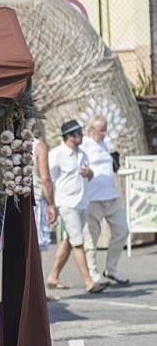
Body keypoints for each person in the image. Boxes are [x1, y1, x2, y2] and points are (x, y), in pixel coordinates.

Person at [46, 120, 108, 294]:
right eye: (77, 133)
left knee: (69, 241)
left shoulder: (82, 154)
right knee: (78, 243)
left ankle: (53, 276)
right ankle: (89, 282)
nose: (81, 136)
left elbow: (90, 175)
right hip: (67, 204)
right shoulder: (57, 154)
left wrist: (90, 174)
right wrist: (51, 203)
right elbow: (48, 179)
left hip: (81, 203)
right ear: (69, 136)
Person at [81, 116, 130, 285]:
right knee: (91, 237)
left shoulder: (104, 143)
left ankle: (111, 269)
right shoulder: (84, 144)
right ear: (91, 130)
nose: (104, 133)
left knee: (122, 230)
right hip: (93, 198)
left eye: (105, 129)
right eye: (101, 130)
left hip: (111, 196)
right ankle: (93, 273)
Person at [32, 124, 59, 301]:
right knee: (37, 247)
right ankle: (37, 291)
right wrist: (52, 204)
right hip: (36, 199)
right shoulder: (39, 146)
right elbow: (46, 178)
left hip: (16, 197)